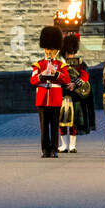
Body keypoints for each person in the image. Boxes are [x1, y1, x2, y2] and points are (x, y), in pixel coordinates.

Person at [31, 25, 67, 159]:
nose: (49, 52)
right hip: (42, 98)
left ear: (56, 50)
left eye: (51, 49)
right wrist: (41, 76)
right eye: (47, 49)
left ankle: (54, 149)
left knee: (54, 126)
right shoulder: (38, 64)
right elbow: (33, 80)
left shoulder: (61, 65)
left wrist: (56, 73)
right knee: (44, 127)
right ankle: (45, 150)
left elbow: (66, 79)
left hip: (55, 98)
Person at [57, 33, 90, 154]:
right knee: (62, 121)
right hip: (62, 94)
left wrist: (74, 84)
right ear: (64, 52)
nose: (71, 56)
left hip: (75, 95)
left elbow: (85, 75)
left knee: (73, 122)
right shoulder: (59, 63)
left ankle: (72, 145)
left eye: (73, 53)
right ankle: (63, 145)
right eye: (69, 53)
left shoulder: (79, 63)